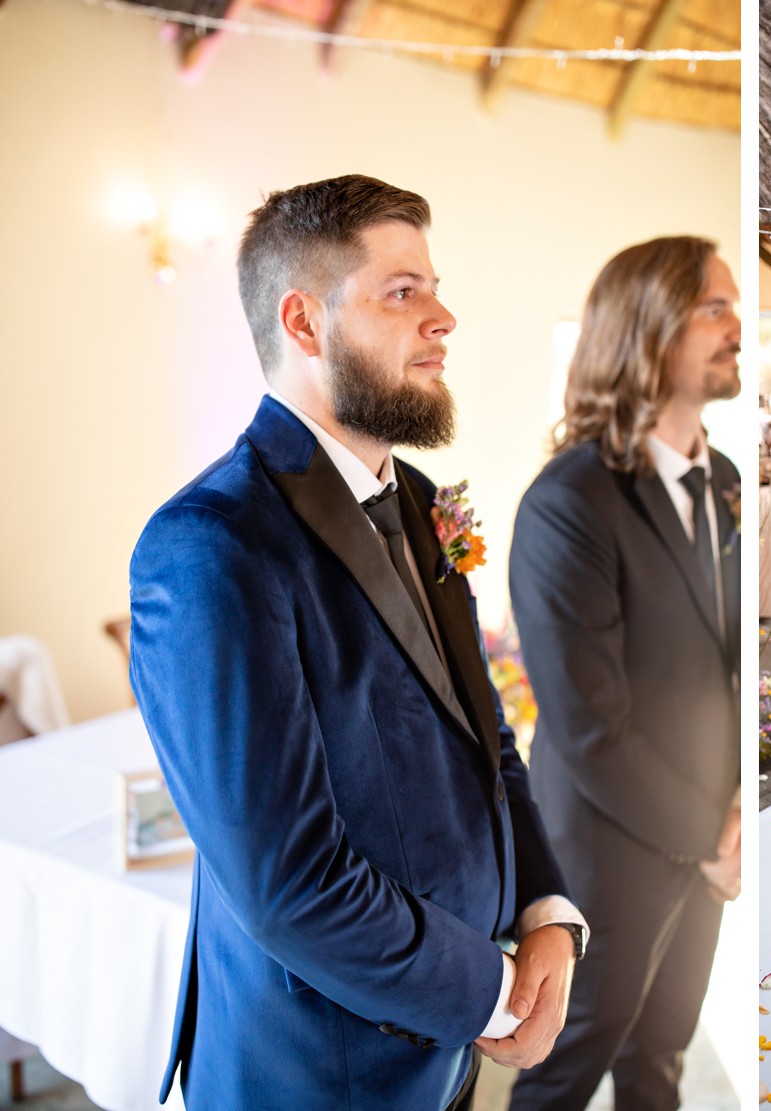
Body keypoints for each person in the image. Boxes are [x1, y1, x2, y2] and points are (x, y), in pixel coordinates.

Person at [129, 175, 586, 1110]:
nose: (445, 317)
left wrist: (547, 913)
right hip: (321, 1069)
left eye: (434, 287)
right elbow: (290, 884)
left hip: (446, 1051)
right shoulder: (211, 546)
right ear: (304, 324)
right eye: (403, 291)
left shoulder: (421, 504)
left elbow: (485, 741)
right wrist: (495, 993)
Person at [507, 236, 742, 1110]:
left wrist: (733, 811)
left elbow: (722, 668)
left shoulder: (720, 480)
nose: (736, 323)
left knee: (661, 1062)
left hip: (705, 841)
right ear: (647, 328)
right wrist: (710, 838)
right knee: (561, 1080)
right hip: (604, 863)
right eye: (713, 306)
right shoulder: (568, 502)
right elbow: (588, 724)